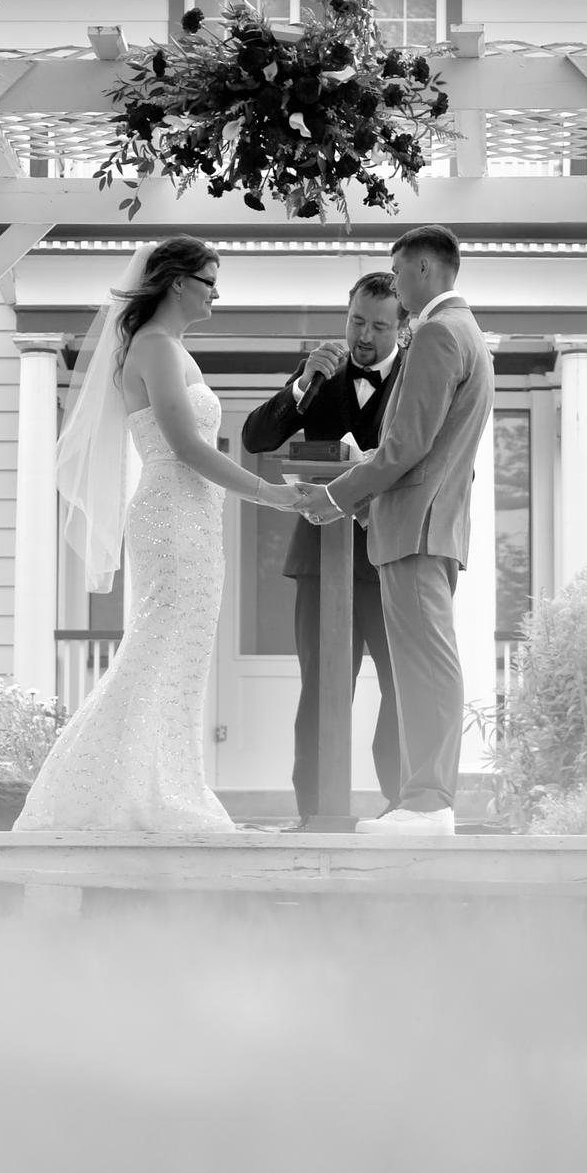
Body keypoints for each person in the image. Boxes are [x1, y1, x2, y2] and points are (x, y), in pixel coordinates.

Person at [14, 238, 300, 833]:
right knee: (154, 653)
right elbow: (187, 446)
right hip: (172, 516)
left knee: (179, 662)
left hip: (195, 516)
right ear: (177, 282)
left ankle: (166, 784)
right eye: (209, 281)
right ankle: (100, 792)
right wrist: (268, 493)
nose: (217, 293)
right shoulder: (155, 347)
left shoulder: (170, 348)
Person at [296, 225, 495, 837]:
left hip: (416, 528)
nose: (396, 282)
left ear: (425, 269)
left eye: (400, 270)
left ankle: (428, 803)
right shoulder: (466, 332)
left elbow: (407, 446)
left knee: (426, 667)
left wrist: (336, 495)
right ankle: (423, 799)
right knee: (422, 666)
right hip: (427, 525)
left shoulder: (438, 332)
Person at [241, 272, 405, 830]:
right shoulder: (319, 372)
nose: (364, 336)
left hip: (391, 561)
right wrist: (299, 387)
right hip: (320, 559)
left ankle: (401, 807)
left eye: (379, 326)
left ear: (402, 330)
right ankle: (314, 811)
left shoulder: (419, 376)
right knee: (319, 689)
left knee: (401, 686)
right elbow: (256, 439)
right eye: (356, 321)